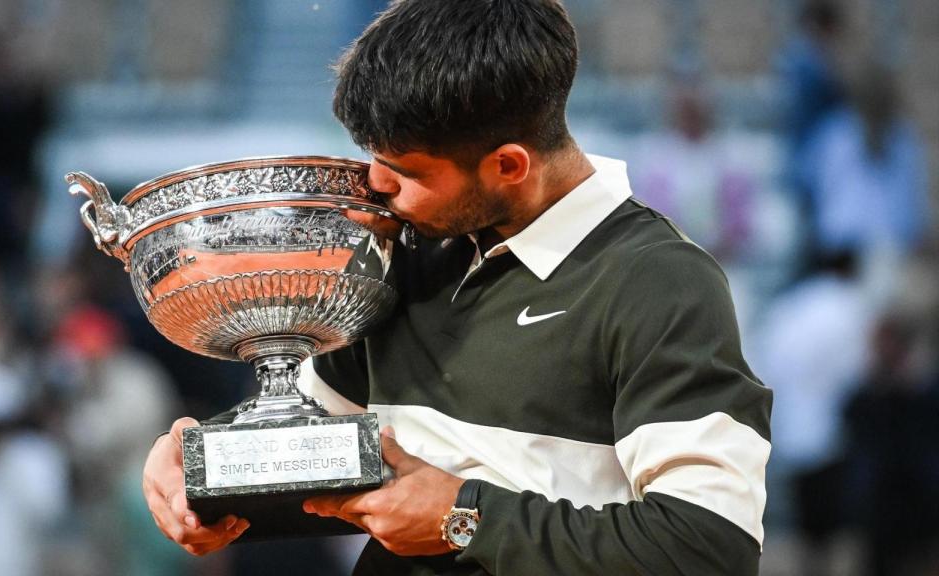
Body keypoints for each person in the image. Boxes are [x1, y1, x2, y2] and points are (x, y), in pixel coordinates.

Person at [142, 1, 772, 574]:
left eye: (404, 169)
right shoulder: (403, 252)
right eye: (372, 155)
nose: (375, 185)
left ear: (508, 165)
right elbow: (312, 463)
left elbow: (709, 546)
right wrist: (198, 476)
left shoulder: (659, 280)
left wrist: (462, 518)